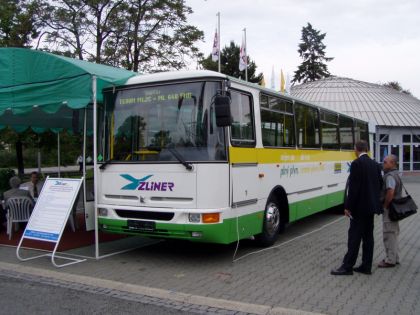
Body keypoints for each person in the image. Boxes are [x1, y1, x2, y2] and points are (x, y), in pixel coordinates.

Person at [331, 140, 383, 275]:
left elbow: (353, 189)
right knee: (368, 238)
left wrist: (348, 206)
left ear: (356, 149)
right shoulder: (375, 165)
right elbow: (380, 185)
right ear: (366, 149)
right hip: (371, 208)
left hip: (359, 209)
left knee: (354, 237)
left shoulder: (356, 164)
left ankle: (347, 267)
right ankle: (366, 266)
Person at [379, 154, 402, 268]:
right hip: (395, 209)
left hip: (390, 209)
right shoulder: (396, 174)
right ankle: (395, 257)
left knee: (389, 235)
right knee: (393, 233)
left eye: (385, 162)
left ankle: (390, 260)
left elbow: (390, 192)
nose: (383, 164)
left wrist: (385, 205)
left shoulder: (390, 176)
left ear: (392, 163)